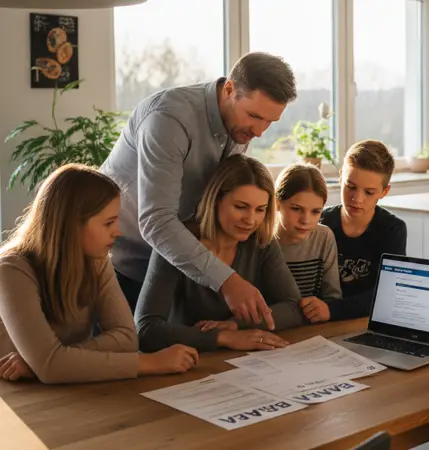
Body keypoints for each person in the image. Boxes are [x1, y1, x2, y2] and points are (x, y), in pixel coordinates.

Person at [100, 52, 297, 330]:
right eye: (254, 116)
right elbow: (156, 221)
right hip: (118, 264)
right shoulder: (168, 119)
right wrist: (228, 280)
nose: (260, 131)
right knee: (123, 361)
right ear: (229, 89)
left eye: (269, 121)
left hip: (176, 267)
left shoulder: (240, 126)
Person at [0, 165, 198, 384]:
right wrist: (152, 363)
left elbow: (126, 339)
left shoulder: (96, 261)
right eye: (108, 223)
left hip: (67, 391)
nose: (118, 231)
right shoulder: (11, 270)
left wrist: (48, 361)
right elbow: (50, 366)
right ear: (72, 225)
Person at [135, 155, 302, 353]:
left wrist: (235, 325)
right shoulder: (176, 243)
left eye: (260, 210)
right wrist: (224, 337)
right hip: (188, 362)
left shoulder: (262, 243)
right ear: (215, 201)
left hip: (243, 361)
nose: (251, 220)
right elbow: (145, 330)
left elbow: (293, 307)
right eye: (241, 207)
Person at [315, 140, 407, 321]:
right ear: (341, 177)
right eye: (351, 186)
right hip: (319, 321)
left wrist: (332, 310)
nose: (357, 198)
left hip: (366, 321)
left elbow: (388, 292)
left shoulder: (392, 229)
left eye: (369, 192)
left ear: (384, 192)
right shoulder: (319, 221)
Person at [274, 164, 342, 324]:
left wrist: (324, 308)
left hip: (311, 328)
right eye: (296, 209)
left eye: (315, 212)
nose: (306, 220)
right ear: (277, 203)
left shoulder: (324, 237)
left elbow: (332, 298)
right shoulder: (262, 240)